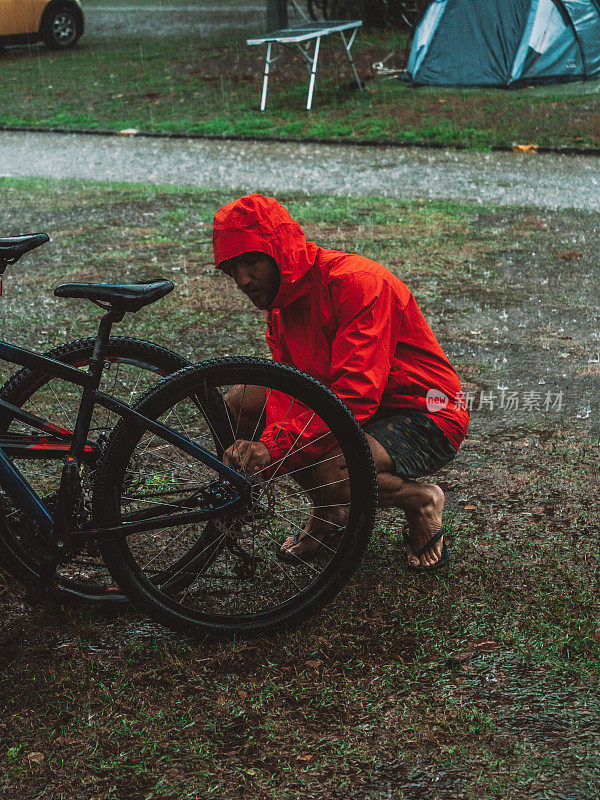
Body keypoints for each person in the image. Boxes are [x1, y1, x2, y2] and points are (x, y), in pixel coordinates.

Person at [213, 194, 469, 571]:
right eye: (232, 269)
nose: (243, 280)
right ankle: (330, 510)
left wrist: (273, 446)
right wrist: (271, 443)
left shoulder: (358, 284)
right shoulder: (281, 303)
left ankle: (421, 501)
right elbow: (291, 389)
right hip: (353, 405)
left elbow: (354, 396)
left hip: (424, 411)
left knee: (334, 473)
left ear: (280, 250)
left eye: (250, 262)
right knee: (241, 401)